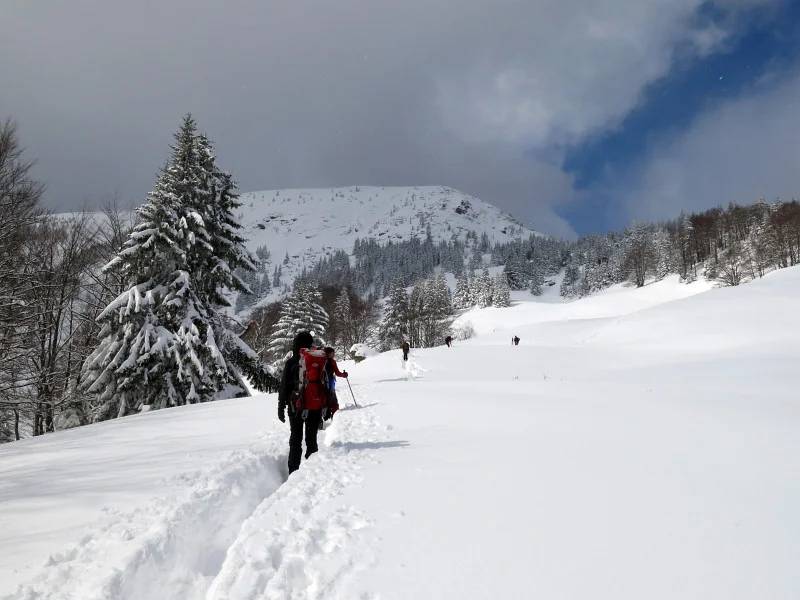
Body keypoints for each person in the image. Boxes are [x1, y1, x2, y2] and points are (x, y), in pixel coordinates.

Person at [278, 331, 319, 474]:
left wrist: (281, 406)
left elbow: (284, 386)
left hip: (295, 406)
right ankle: (312, 472)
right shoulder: (317, 360)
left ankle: (293, 472)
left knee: (295, 440)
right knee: (312, 440)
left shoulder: (291, 362)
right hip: (315, 406)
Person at [323, 347, 348, 414]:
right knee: (333, 398)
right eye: (333, 353)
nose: (334, 354)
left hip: (319, 383)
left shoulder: (320, 360)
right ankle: (334, 413)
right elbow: (337, 373)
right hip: (329, 382)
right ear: (329, 354)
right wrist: (344, 375)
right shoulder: (332, 361)